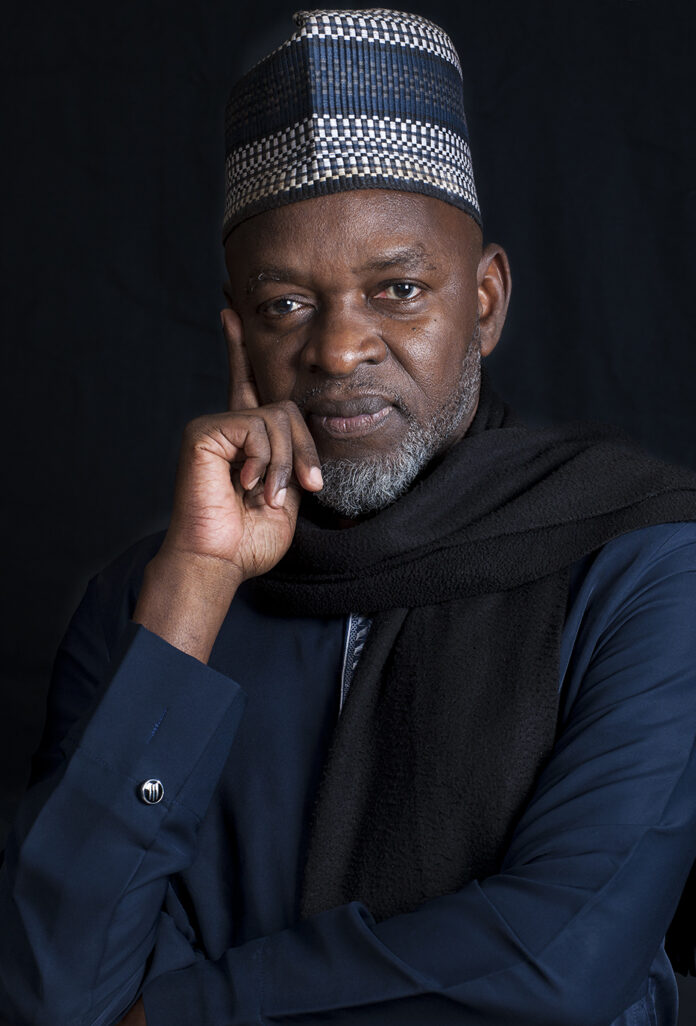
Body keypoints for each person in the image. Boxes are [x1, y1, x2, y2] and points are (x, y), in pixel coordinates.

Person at [2, 8, 696, 1026]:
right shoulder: (149, 610)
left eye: (398, 289)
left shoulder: (640, 564)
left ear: (485, 302)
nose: (337, 350)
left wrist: (189, 1012)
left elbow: (563, 963)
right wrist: (196, 591)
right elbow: (53, 994)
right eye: (286, 304)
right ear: (238, 332)